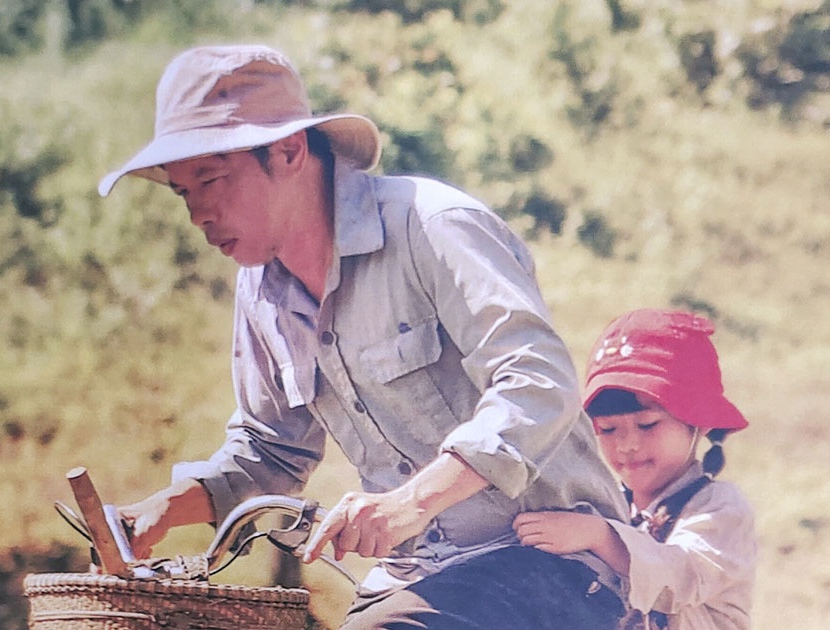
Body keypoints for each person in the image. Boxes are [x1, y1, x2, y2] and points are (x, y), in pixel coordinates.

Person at [97, 44, 628, 629]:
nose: (198, 212)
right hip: (418, 581)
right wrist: (164, 510)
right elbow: (271, 451)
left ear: (289, 151)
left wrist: (411, 503)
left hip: (556, 564)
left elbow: (537, 383)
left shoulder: (433, 226)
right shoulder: (260, 292)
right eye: (182, 191)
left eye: (211, 179)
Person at [514, 308, 757, 630]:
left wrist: (601, 536)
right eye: (608, 430)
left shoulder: (721, 508)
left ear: (697, 424)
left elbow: (680, 578)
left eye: (647, 424)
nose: (627, 445)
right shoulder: (606, 504)